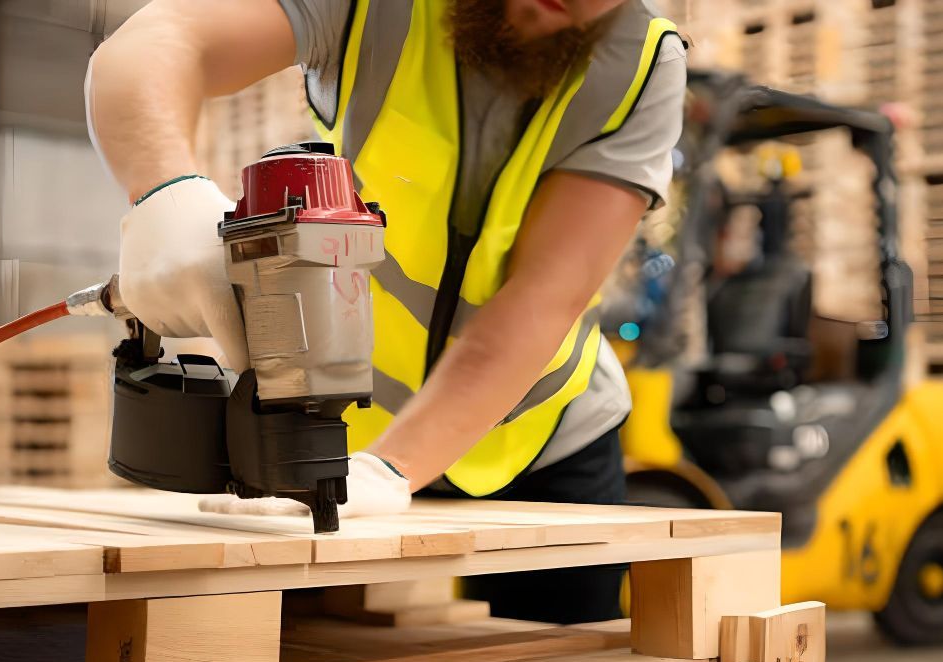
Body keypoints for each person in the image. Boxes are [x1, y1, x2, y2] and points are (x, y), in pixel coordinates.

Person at [86, 0, 687, 621]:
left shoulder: (643, 63)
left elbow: (543, 296)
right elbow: (155, 43)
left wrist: (393, 469)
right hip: (335, 433)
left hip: (541, 440)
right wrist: (165, 195)